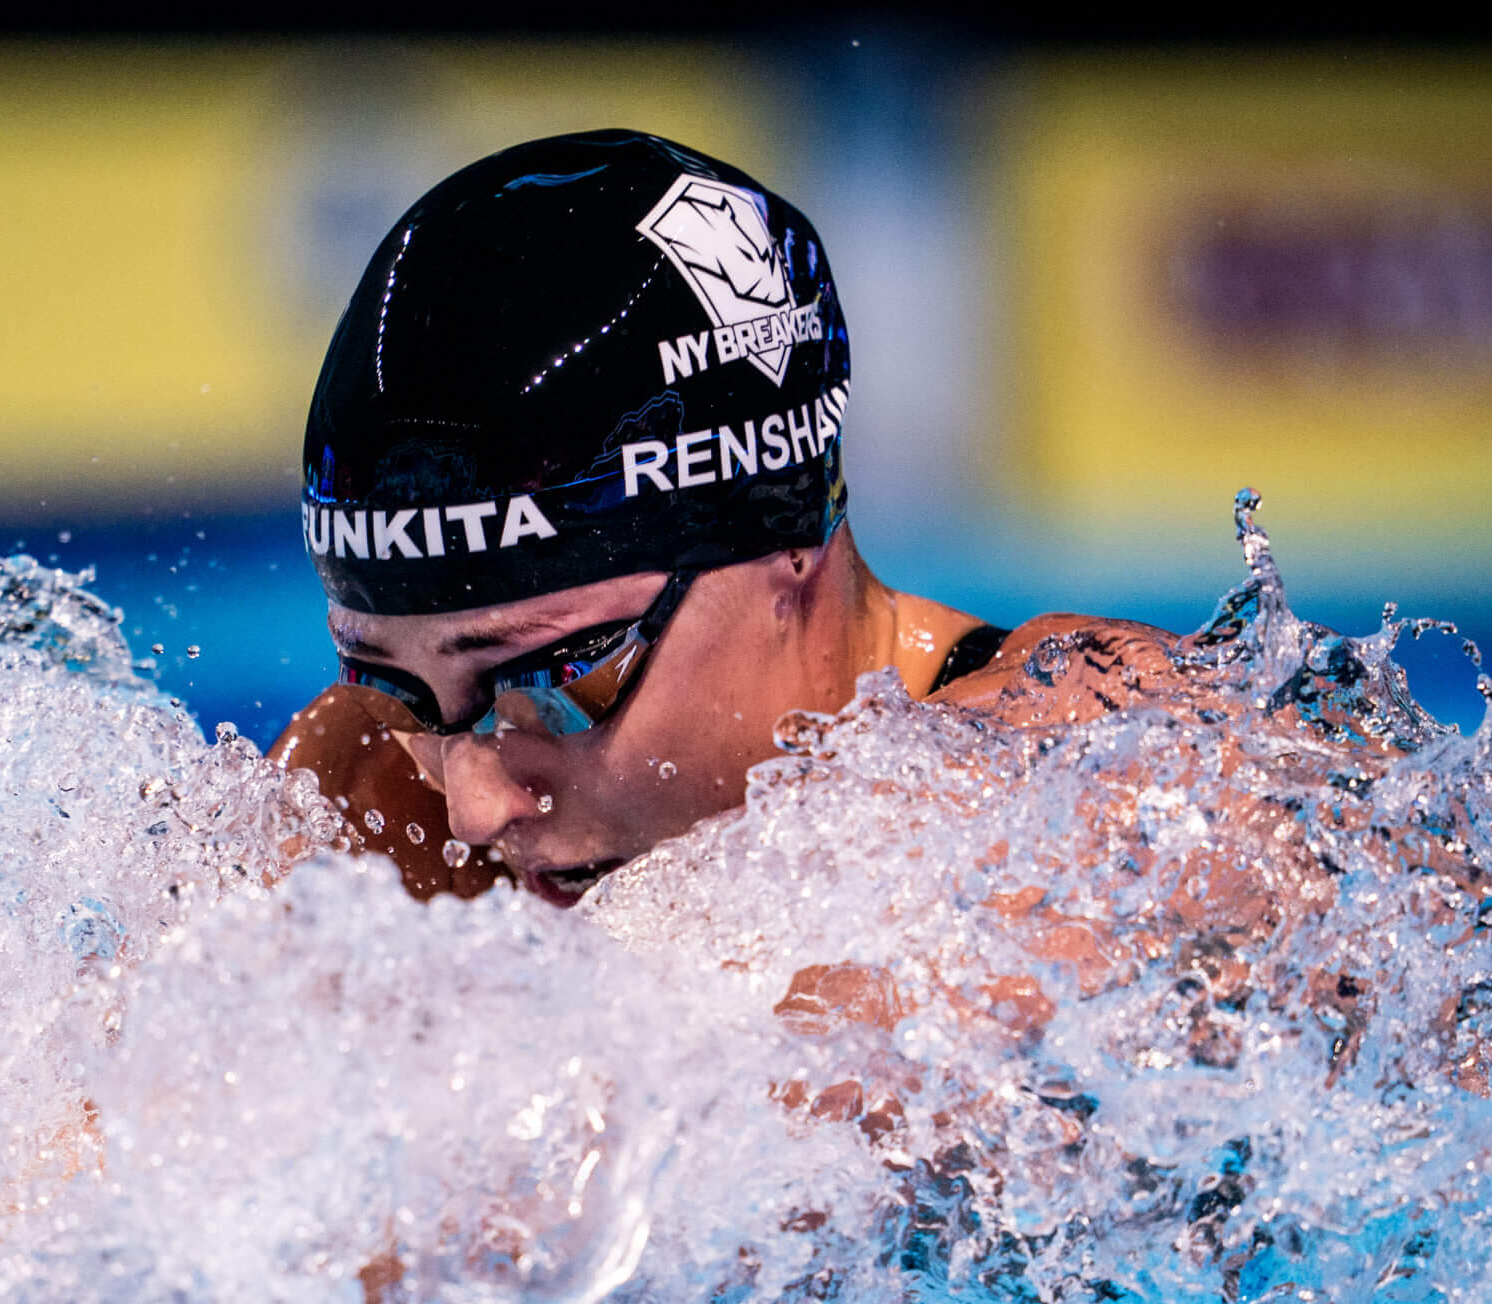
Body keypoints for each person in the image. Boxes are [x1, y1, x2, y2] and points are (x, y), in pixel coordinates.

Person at [270, 130, 1178, 906]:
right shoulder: (362, 807)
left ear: (782, 536)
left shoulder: (1096, 772)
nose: (472, 808)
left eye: (555, 679)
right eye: (397, 691)